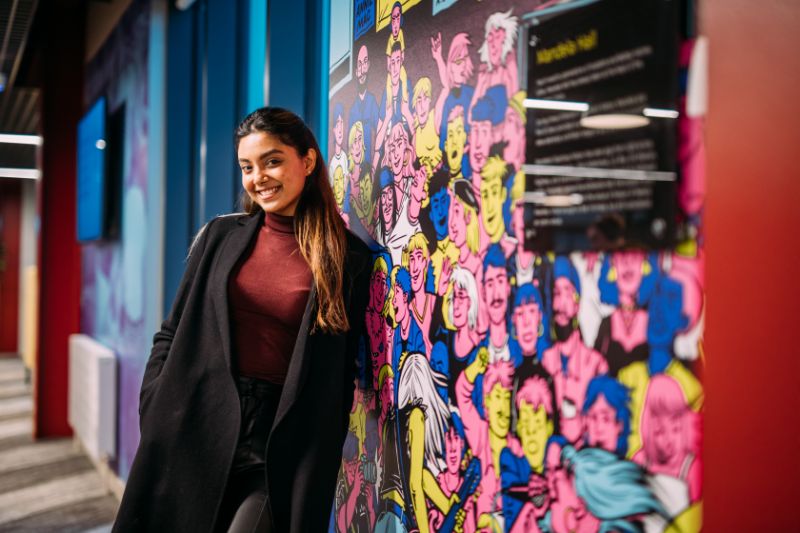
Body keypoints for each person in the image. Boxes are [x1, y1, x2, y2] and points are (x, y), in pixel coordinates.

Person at [113, 107, 372, 533]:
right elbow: (173, 329)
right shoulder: (220, 236)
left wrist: (319, 459)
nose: (258, 178)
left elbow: (338, 376)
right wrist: (156, 400)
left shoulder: (346, 259)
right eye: (247, 167)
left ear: (307, 161)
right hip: (195, 419)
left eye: (272, 161)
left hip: (278, 440)